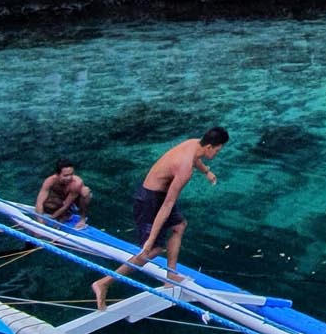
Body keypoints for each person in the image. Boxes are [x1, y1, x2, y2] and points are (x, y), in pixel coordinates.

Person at [91, 128, 228, 310]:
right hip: (150, 200)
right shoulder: (184, 169)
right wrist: (150, 239)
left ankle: (170, 274)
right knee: (152, 250)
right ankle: (104, 283)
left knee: (179, 225)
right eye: (217, 151)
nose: (217, 154)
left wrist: (206, 172)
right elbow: (167, 204)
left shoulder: (193, 143)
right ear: (209, 147)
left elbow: (197, 159)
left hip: (155, 195)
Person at [34, 159, 91, 227]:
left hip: (68, 204)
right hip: (55, 204)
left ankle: (82, 219)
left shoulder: (76, 183)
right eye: (65, 175)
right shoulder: (50, 181)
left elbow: (65, 206)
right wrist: (40, 221)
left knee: (86, 191)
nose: (69, 178)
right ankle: (59, 216)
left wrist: (51, 218)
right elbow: (39, 202)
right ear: (58, 174)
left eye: (71, 174)